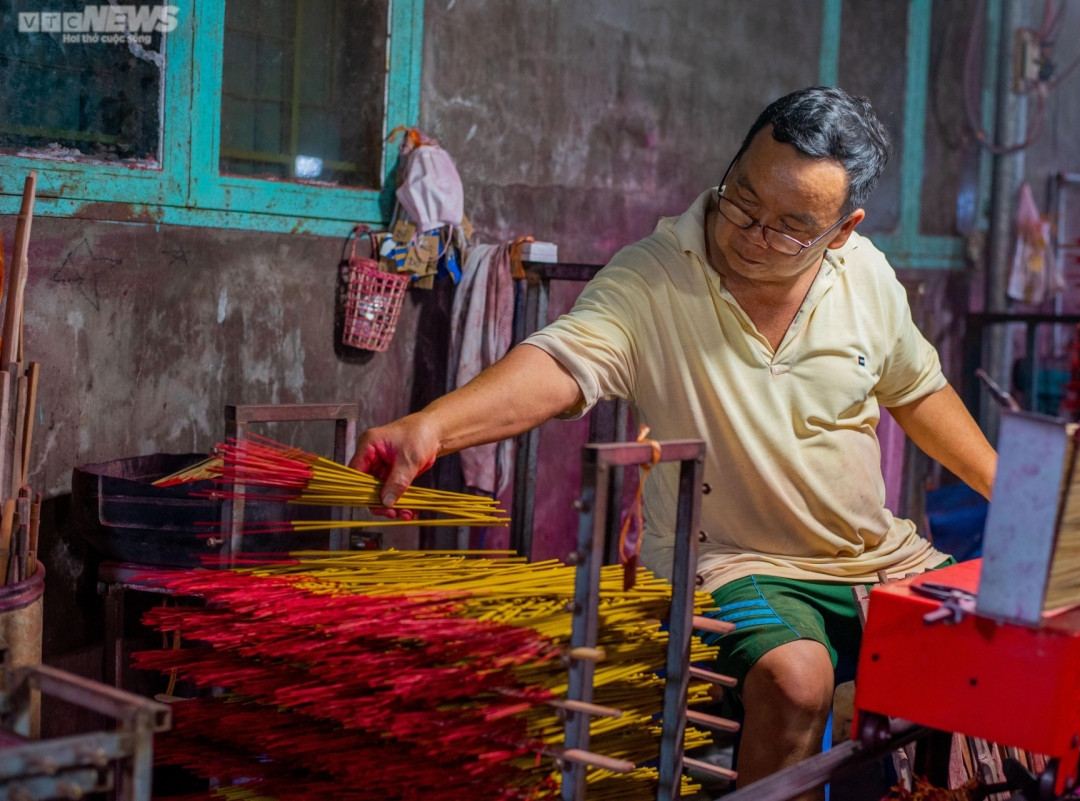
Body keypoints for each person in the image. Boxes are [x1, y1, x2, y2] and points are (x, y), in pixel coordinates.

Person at [350, 86, 997, 789]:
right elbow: (561, 362)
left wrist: (1016, 494)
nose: (752, 233)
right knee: (797, 679)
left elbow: (917, 390)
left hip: (873, 552)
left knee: (995, 643)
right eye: (744, 200)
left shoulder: (866, 274)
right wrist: (434, 425)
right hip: (733, 561)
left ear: (841, 230)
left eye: (788, 227)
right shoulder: (655, 278)